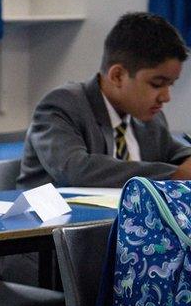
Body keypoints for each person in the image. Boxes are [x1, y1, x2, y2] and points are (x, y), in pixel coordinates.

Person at [18, 12, 191, 189]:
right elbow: (74, 170)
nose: (166, 97)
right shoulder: (61, 106)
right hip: (57, 215)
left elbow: (177, 153)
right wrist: (172, 175)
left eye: (171, 85)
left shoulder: (151, 119)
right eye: (157, 84)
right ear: (117, 76)